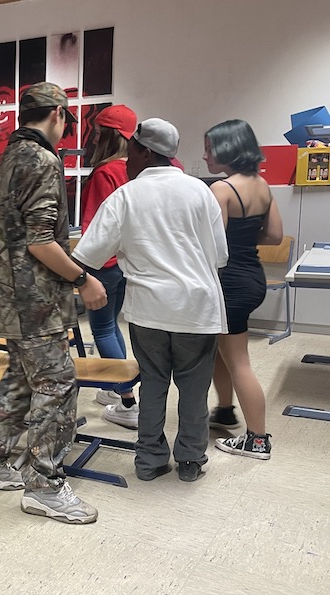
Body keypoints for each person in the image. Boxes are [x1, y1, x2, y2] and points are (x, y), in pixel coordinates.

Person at [0, 82, 107, 524]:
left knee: (20, 381)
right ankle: (44, 486)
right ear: (58, 115)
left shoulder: (6, 160)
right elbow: (40, 241)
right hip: (37, 302)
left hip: (10, 297)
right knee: (58, 385)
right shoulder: (43, 160)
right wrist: (83, 279)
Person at [73, 118, 228, 483]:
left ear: (144, 152)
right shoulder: (200, 191)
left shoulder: (125, 196)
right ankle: (190, 461)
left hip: (148, 311)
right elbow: (220, 255)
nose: (126, 159)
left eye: (130, 151)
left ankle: (150, 461)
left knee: (154, 384)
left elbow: (87, 255)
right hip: (197, 309)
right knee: (194, 389)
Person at [204, 119, 283, 459]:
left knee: (239, 361)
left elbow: (213, 246)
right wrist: (244, 237)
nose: (205, 156)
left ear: (228, 149)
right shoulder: (262, 185)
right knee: (223, 348)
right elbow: (274, 236)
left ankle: (257, 439)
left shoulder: (221, 190)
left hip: (230, 283)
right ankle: (224, 409)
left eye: (210, 149)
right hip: (253, 277)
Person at [79, 104, 139, 428]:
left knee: (101, 329)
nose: (93, 138)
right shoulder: (134, 169)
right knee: (112, 325)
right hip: (125, 262)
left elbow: (94, 227)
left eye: (97, 132)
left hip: (103, 264)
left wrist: (82, 270)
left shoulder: (105, 173)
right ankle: (115, 387)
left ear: (109, 136)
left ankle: (127, 401)